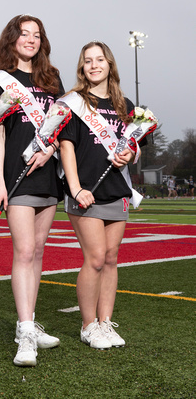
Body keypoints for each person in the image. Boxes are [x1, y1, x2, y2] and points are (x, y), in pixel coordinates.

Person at [0, 14, 64, 366]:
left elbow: (62, 122)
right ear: (12, 39)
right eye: (24, 34)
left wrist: (50, 149)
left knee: (39, 251)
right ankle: (24, 331)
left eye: (36, 35)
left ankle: (30, 321)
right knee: (24, 250)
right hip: (18, 176)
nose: (30, 40)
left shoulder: (51, 78)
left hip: (48, 173)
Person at [59, 41, 138, 350]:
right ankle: (88, 325)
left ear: (110, 64)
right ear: (82, 67)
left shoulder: (125, 104)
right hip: (85, 193)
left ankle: (105, 323)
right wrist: (76, 188)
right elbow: (66, 146)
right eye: (88, 60)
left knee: (110, 258)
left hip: (117, 190)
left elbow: (134, 146)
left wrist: (130, 154)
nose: (94, 65)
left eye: (99, 59)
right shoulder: (75, 101)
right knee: (94, 258)